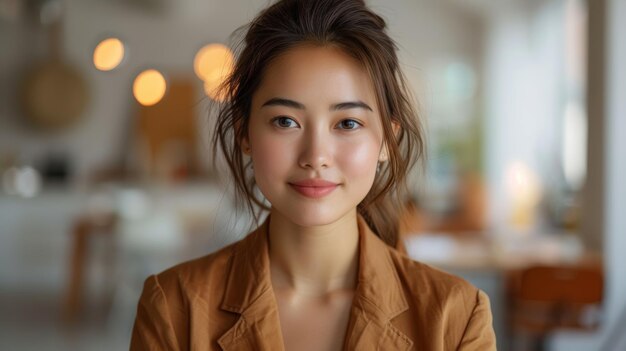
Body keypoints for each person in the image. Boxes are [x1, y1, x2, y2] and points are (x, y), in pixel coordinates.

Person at [130, 0, 497, 350]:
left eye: (348, 123)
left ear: (387, 139)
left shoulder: (457, 318)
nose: (315, 156)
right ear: (244, 133)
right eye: (285, 121)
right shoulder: (174, 308)